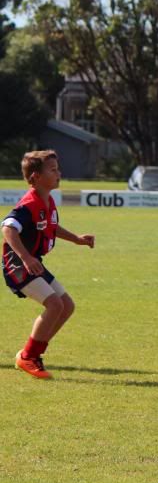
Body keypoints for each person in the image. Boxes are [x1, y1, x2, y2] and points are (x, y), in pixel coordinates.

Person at [3, 150, 95, 380]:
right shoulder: (29, 205)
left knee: (66, 306)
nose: (58, 173)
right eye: (52, 170)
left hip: (33, 262)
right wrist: (25, 257)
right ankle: (28, 357)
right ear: (35, 177)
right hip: (18, 264)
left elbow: (52, 227)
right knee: (54, 305)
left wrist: (77, 239)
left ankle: (31, 353)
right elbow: (8, 228)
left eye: (58, 169)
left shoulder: (48, 200)